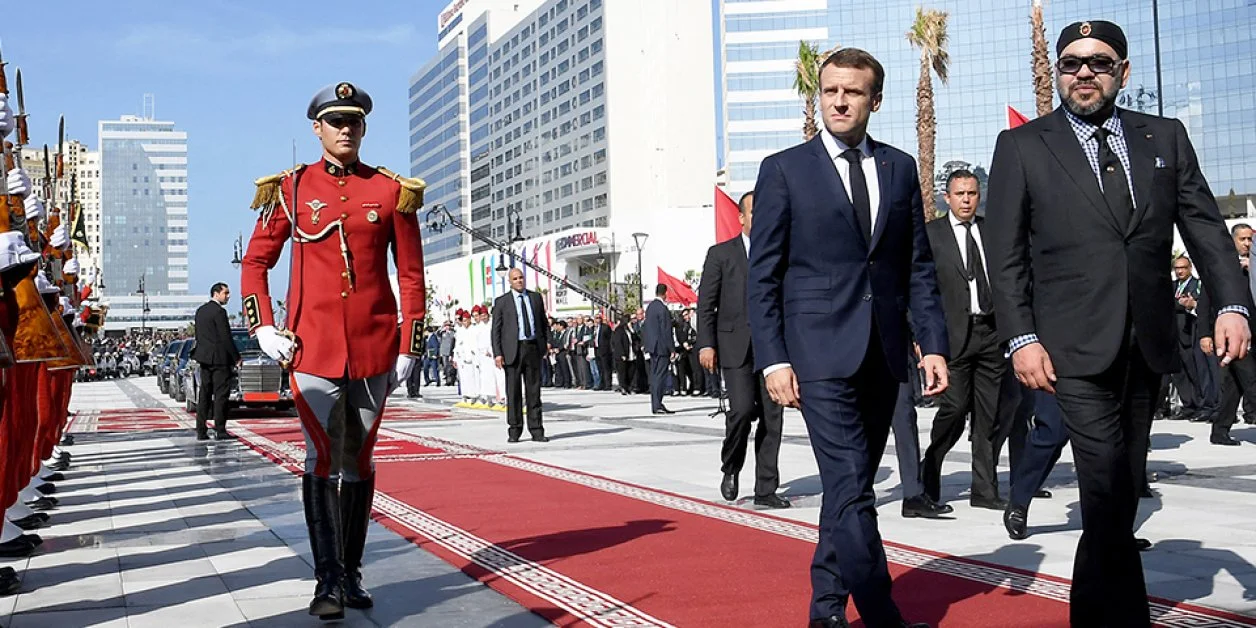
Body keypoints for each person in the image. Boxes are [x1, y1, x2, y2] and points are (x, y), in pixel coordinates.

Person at [984, 21, 1250, 626]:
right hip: (1070, 348)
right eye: (1071, 62)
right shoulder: (1023, 146)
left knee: (1122, 489)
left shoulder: (1164, 136)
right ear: (1058, 72)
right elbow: (1006, 255)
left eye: (1099, 62)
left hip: (1148, 344)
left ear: (1122, 73)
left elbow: (1204, 227)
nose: (1084, 72)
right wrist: (1021, 337)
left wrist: (1233, 305)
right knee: (1104, 484)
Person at [746, 48, 946, 628]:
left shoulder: (899, 168)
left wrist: (932, 343)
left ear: (874, 101)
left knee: (850, 486)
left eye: (852, 92)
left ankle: (826, 610)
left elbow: (917, 267)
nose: (839, 101)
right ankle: (882, 615)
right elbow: (764, 276)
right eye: (830, 90)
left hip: (884, 353)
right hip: (817, 355)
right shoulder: (784, 169)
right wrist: (773, 359)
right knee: (852, 489)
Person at [240, 81, 426, 620]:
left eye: (354, 121)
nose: (346, 129)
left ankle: (351, 573)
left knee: (360, 460)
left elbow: (411, 274)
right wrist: (262, 326)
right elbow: (255, 262)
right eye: (336, 121)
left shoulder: (391, 191)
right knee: (321, 457)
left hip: (373, 349)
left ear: (364, 127)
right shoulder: (290, 189)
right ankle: (326, 580)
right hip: (312, 349)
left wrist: (410, 342)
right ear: (317, 128)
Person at [920, 170, 1007, 510]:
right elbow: (920, 289)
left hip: (991, 333)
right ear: (947, 197)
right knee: (954, 409)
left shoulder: (992, 231)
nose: (967, 200)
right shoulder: (932, 235)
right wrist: (923, 338)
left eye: (972, 193)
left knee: (989, 416)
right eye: (960, 194)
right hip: (952, 337)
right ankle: (930, 470)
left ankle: (984, 490)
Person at [697, 189, 789, 509]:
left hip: (772, 349)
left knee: (772, 418)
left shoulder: (779, 253)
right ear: (741, 218)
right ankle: (731, 466)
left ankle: (766, 488)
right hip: (735, 347)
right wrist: (706, 344)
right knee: (742, 411)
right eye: (754, 213)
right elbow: (706, 305)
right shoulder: (721, 254)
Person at [492, 268, 550, 443]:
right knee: (514, 393)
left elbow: (543, 323)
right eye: (515, 278)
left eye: (521, 277)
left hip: (532, 348)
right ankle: (515, 430)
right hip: (513, 351)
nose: (519, 281)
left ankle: (537, 430)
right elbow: (496, 330)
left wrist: (547, 342)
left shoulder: (535, 298)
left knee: (534, 392)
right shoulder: (502, 302)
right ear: (510, 281)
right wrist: (498, 353)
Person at [192, 283, 240, 440]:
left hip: (204, 358)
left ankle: (201, 430)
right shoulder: (219, 312)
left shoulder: (201, 311)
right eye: (226, 293)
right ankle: (220, 429)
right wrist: (236, 357)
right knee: (221, 395)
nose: (228, 296)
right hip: (219, 359)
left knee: (204, 394)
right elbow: (226, 337)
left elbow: (199, 335)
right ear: (216, 293)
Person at [642, 285, 677, 415]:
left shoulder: (650, 307)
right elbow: (666, 330)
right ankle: (657, 405)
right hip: (661, 347)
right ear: (665, 293)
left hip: (652, 347)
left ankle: (656, 403)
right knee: (660, 376)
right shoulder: (663, 309)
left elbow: (646, 328)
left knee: (655, 375)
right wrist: (672, 348)